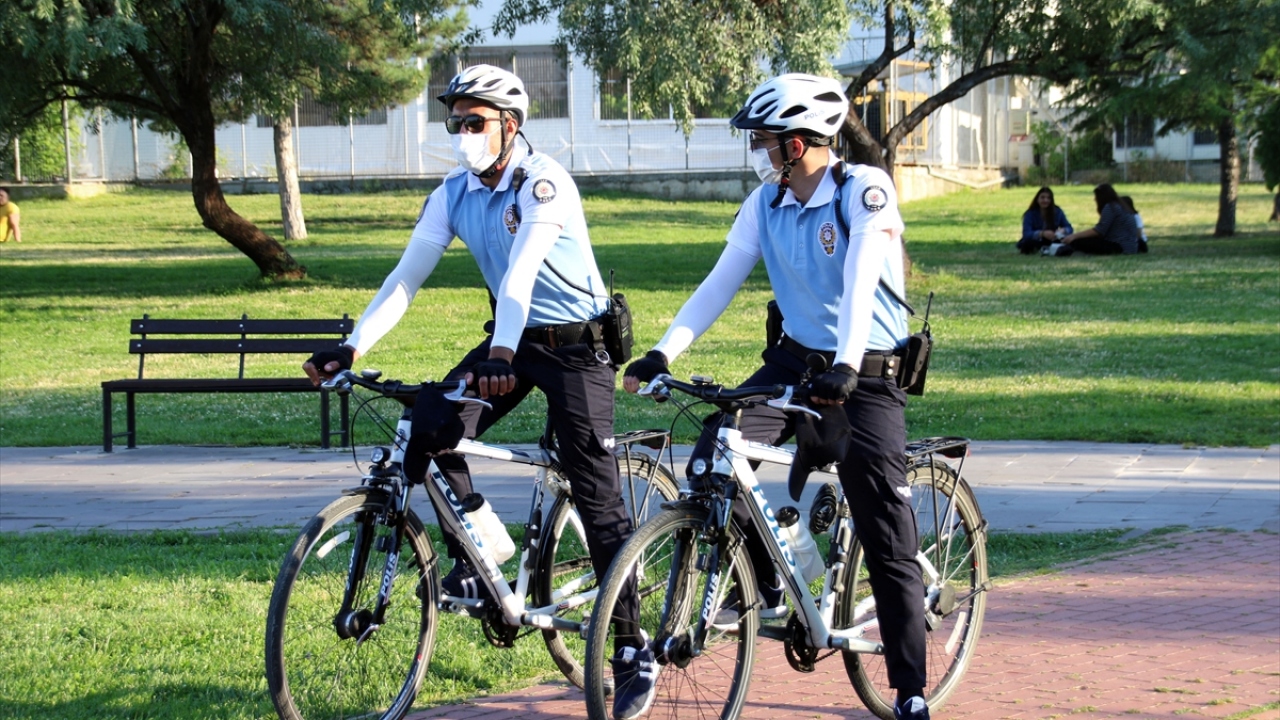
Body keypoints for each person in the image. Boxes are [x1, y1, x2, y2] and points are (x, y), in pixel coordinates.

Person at [301, 65, 655, 720]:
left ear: (509, 127)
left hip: (579, 349)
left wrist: (499, 351)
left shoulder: (542, 183)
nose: (462, 134)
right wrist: (353, 347)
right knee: (428, 424)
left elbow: (521, 274)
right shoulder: (454, 193)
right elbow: (407, 277)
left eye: (475, 122)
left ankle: (633, 648)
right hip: (512, 345)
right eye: (455, 122)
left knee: (595, 485)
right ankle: (481, 539)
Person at [623, 73, 932, 720]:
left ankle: (909, 689)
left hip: (865, 371)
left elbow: (860, 280)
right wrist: (662, 352)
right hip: (794, 360)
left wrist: (848, 367)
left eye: (765, 141)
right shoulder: (765, 203)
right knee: (717, 451)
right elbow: (718, 283)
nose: (760, 151)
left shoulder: (863, 191)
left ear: (797, 143)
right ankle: (762, 578)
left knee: (883, 525)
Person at [1059, 183, 1141, 255]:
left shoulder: (1110, 207)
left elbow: (1099, 230)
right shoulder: (1121, 206)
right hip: (1130, 246)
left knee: (1079, 242)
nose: (1094, 199)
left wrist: (1074, 236)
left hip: (1120, 246)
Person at [1016, 186, 1072, 254]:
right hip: (1036, 240)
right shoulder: (1030, 213)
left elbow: (1069, 228)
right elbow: (1026, 234)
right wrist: (1042, 233)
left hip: (1053, 240)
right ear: (1037, 199)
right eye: (1042, 197)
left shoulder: (1057, 211)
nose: (1045, 200)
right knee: (1028, 243)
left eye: (1048, 198)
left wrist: (1063, 230)